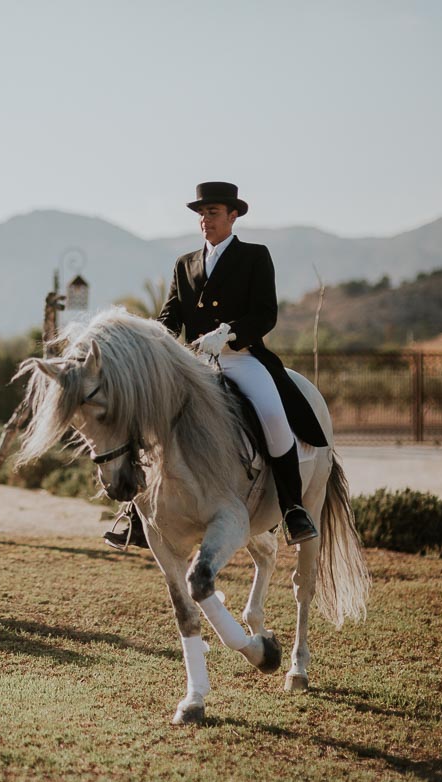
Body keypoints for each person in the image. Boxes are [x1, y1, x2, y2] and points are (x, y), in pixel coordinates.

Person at [104, 182, 327, 550]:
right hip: (195, 364)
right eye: (201, 214)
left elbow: (265, 314)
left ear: (232, 216)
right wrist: (151, 340)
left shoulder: (255, 256)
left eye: (213, 213)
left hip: (241, 358)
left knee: (273, 418)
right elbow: (171, 315)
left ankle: (292, 510)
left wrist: (228, 334)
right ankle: (134, 512)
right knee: (149, 418)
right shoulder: (185, 262)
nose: (205, 220)